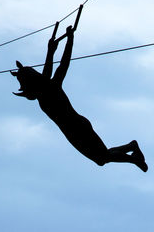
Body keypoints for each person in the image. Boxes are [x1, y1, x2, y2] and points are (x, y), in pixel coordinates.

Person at [11, 25, 148, 172]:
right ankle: (132, 150)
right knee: (102, 157)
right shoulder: (47, 89)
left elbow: (60, 66)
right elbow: (48, 73)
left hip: (77, 128)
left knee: (102, 158)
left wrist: (65, 42)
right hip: (74, 130)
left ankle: (133, 154)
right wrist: (54, 48)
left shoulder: (47, 91)